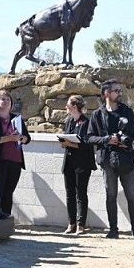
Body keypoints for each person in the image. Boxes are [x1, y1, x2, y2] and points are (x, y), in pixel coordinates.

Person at [86, 79, 134, 240]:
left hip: (126, 158)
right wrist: (106, 140)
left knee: (132, 195)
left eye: (120, 90)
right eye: (116, 91)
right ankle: (113, 230)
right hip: (107, 159)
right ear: (106, 94)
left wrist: (127, 141)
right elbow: (90, 137)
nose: (120, 93)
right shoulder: (97, 114)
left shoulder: (127, 111)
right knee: (110, 195)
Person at [0, 90, 31, 216]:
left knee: (9, 191)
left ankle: (6, 219)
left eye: (8, 99)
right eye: (2, 99)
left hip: (15, 159)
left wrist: (21, 138)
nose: (6, 102)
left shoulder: (16, 118)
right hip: (0, 160)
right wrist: (8, 138)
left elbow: (27, 138)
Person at [59, 95, 96, 234]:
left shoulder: (86, 122)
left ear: (74, 107)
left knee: (81, 193)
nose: (66, 107)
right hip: (69, 161)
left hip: (83, 162)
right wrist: (65, 143)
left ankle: (81, 224)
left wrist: (71, 144)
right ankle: (71, 223)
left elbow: (87, 143)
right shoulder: (69, 121)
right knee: (69, 193)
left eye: (68, 105)